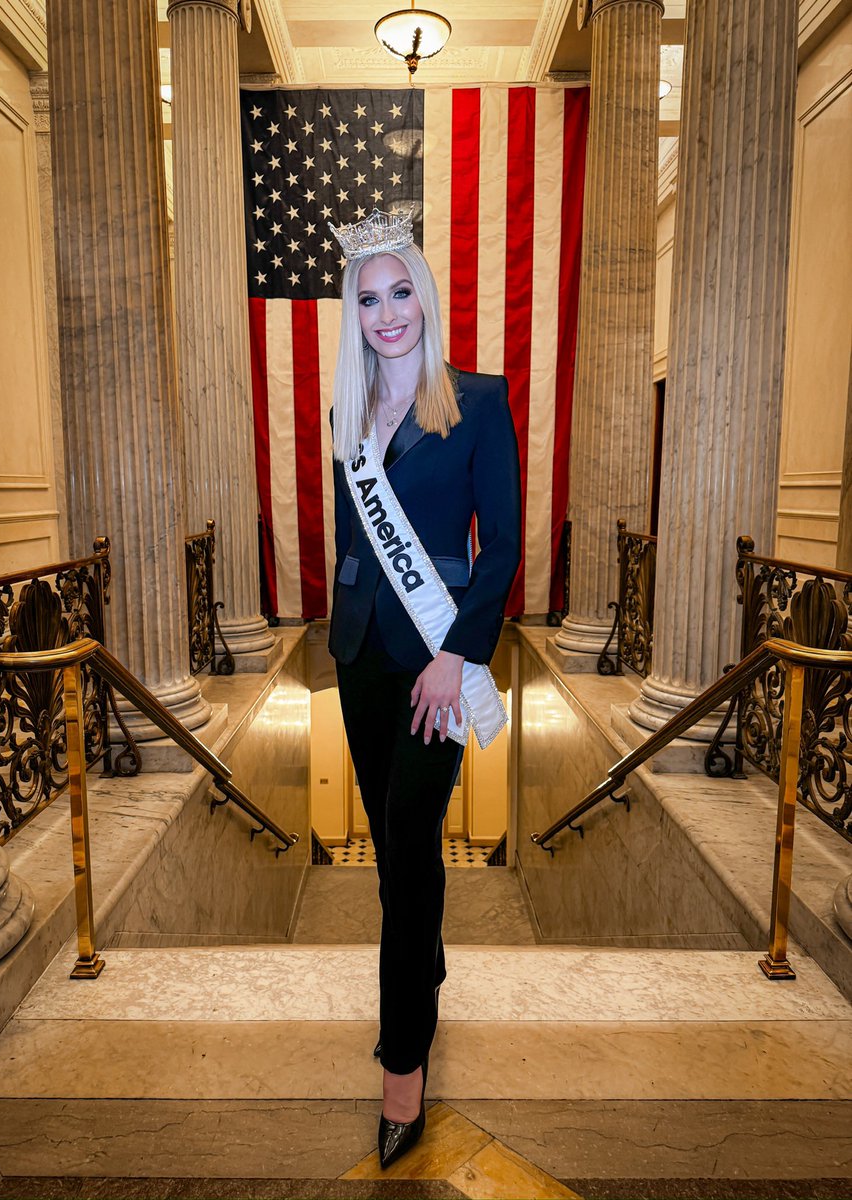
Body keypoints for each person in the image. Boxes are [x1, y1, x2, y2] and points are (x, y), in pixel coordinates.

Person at [327, 207, 521, 1168]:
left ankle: (403, 1064)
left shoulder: (479, 403)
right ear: (353, 312)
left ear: (425, 297)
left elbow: (506, 551)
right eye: (370, 298)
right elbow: (350, 544)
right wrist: (341, 630)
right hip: (361, 658)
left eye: (401, 292)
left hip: (437, 664)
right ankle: (426, 961)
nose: (388, 313)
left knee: (406, 844)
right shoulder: (345, 414)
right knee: (398, 851)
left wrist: (462, 655)